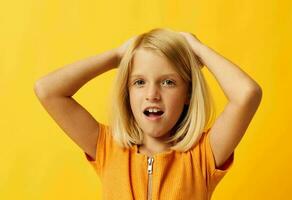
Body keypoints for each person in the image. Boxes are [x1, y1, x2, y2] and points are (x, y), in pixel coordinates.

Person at [34, 28, 262, 200]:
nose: (152, 94)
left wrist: (196, 48)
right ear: (127, 92)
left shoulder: (203, 155)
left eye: (168, 82)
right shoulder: (105, 147)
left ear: (188, 95)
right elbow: (47, 90)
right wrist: (116, 57)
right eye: (140, 82)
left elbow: (247, 94)